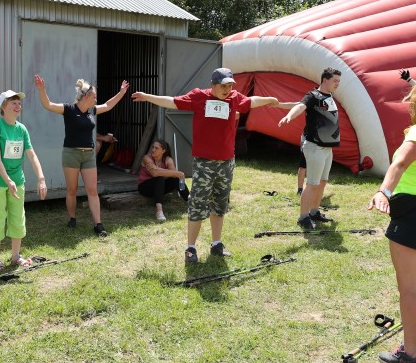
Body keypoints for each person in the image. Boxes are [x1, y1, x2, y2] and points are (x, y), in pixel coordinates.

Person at [132, 67, 279, 263]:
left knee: (220, 204)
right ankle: (191, 249)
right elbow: (173, 102)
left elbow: (251, 101)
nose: (227, 89)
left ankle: (216, 244)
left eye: (229, 85)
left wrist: (269, 99)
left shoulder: (234, 98)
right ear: (213, 85)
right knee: (198, 204)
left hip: (226, 162)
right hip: (204, 163)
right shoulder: (199, 97)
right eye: (223, 86)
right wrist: (148, 96)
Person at [34, 75, 129, 235]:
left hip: (89, 155)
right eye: (94, 96)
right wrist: (42, 89)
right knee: (72, 189)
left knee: (92, 190)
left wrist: (121, 93)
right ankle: (72, 218)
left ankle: (98, 225)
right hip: (71, 154)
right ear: (86, 96)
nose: (96, 99)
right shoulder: (70, 109)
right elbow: (48, 105)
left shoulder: (92, 110)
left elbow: (108, 105)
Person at [368, 84, 416, 363]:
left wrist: (383, 192)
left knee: (409, 289)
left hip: (410, 212)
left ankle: (410, 354)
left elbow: (398, 164)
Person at [0, 90, 47, 271]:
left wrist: (41, 178)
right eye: (13, 102)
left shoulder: (22, 129)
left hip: (17, 180)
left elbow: (31, 155)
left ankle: (16, 256)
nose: (18, 106)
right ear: (3, 107)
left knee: (17, 218)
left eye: (19, 103)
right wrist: (7, 181)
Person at [278, 67, 342, 230]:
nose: (337, 84)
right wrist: (289, 116)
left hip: (327, 149)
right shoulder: (313, 95)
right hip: (315, 147)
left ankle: (314, 212)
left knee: (322, 181)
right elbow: (301, 106)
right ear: (325, 80)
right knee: (312, 183)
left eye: (339, 81)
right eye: (335, 80)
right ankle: (303, 217)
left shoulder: (330, 96)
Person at [137, 140, 189, 222]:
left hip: (160, 187)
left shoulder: (168, 159)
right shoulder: (147, 158)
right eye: (153, 147)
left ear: (163, 151)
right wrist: (176, 173)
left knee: (177, 178)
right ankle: (159, 211)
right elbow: (154, 173)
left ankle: (190, 202)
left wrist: (178, 175)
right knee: (159, 177)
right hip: (145, 187)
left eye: (156, 148)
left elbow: (174, 175)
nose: (153, 150)